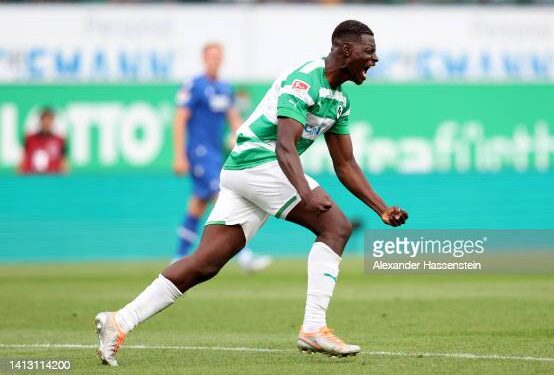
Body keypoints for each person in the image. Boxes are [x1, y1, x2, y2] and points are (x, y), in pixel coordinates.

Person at [95, 20, 408, 366]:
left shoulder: (340, 101)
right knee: (336, 227)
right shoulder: (304, 80)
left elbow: (346, 164)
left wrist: (381, 208)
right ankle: (314, 327)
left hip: (246, 171)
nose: (375, 58)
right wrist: (304, 192)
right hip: (257, 162)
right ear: (346, 49)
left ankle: (118, 321)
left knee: (206, 263)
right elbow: (284, 146)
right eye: (369, 51)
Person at [173, 42, 271, 272]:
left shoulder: (226, 88)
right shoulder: (194, 85)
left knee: (198, 203)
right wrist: (179, 155)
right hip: (199, 152)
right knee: (222, 197)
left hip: (216, 153)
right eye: (211, 57)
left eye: (218, 57)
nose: (215, 60)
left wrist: (247, 139)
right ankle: (244, 256)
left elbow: (234, 119)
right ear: (203, 58)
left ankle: (178, 256)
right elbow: (180, 119)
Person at [19, 107, 68, 174]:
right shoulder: (30, 139)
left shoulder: (59, 141)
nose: (46, 123)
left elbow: (64, 164)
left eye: (49, 120)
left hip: (52, 179)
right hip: (32, 178)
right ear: (40, 120)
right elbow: (22, 162)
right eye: (44, 119)